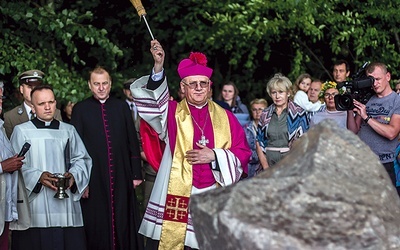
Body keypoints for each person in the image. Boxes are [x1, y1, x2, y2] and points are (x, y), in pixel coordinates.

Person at [130, 40, 251, 249]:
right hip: (174, 192)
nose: (198, 88)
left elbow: (243, 152)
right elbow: (153, 104)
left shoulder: (226, 117)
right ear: (183, 88)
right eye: (192, 83)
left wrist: (215, 156)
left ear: (210, 87)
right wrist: (158, 67)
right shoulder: (172, 112)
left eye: (203, 83)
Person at [10, 85, 92, 250]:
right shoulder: (21, 131)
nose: (48, 107)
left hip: (66, 206)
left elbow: (82, 159)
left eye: (51, 102)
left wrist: (73, 176)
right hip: (36, 205)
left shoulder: (69, 130)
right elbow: (15, 166)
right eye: (41, 104)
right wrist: (38, 177)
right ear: (32, 107)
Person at [70, 66, 144, 250]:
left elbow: (131, 141)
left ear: (110, 84)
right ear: (89, 85)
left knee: (123, 221)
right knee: (96, 223)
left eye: (104, 83)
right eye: (96, 84)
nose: (101, 88)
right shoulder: (80, 109)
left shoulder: (121, 107)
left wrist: (136, 174)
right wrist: (81, 181)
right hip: (93, 178)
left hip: (121, 175)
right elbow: (74, 148)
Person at [349, 62, 400, 196]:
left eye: (377, 79)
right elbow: (353, 131)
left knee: (386, 210)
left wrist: (366, 117)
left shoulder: (397, 100)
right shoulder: (367, 99)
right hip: (363, 162)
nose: (374, 83)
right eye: (371, 80)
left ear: (388, 76)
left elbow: (391, 133)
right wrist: (349, 109)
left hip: (384, 164)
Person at [256, 73, 309, 169]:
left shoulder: (299, 113)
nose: (277, 96)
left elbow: (303, 142)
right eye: (274, 92)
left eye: (281, 92)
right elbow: (259, 141)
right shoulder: (265, 113)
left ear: (288, 93)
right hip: (268, 162)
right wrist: (265, 167)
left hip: (291, 163)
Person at [0, 81, 30, 250]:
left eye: (0, 98)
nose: (0, 102)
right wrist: (3, 166)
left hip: (4, 212)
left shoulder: (1, 128)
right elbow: (3, 166)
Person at [123, 78, 156, 209]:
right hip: (129, 159)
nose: (132, 93)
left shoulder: (149, 110)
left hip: (149, 163)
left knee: (148, 200)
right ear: (124, 91)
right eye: (128, 89)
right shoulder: (120, 107)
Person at [4, 70, 62, 138]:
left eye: (37, 87)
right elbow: (9, 146)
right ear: (22, 89)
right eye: (30, 87)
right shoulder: (11, 116)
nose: (33, 91)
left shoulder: (54, 112)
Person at [243, 98, 268, 178]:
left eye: (260, 109)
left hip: (267, 166)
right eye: (254, 109)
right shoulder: (244, 129)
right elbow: (242, 149)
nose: (258, 112)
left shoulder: (271, 128)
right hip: (250, 168)